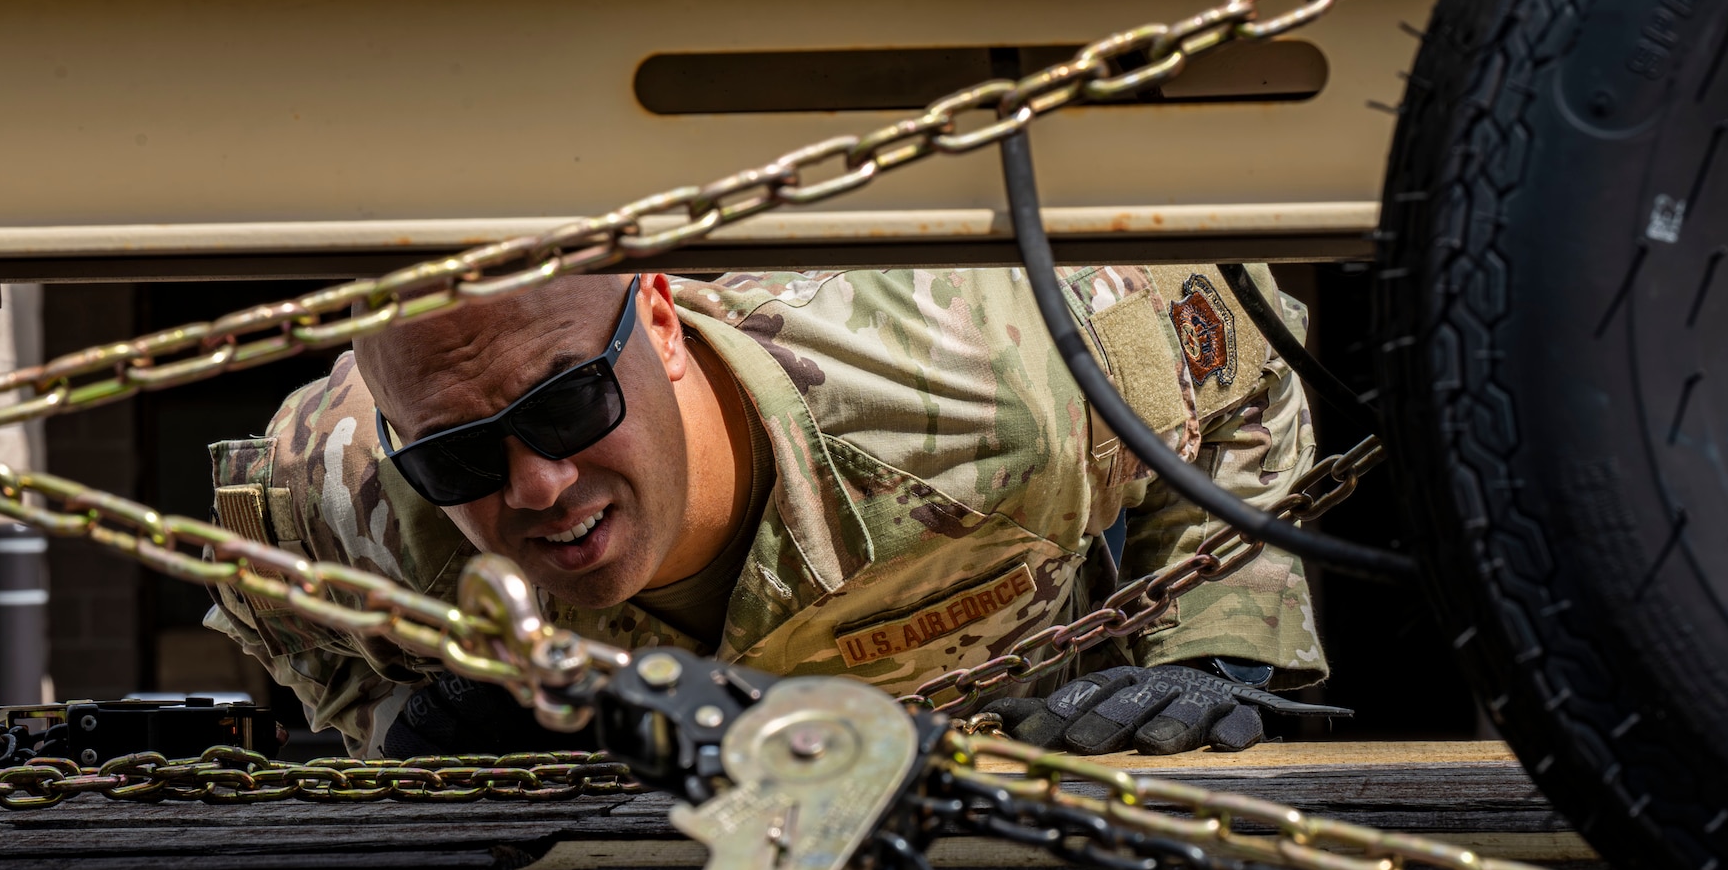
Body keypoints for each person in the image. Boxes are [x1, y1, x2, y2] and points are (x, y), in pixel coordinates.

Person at [203, 264, 1339, 758]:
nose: (536, 488)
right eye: (458, 457)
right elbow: (275, 603)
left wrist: (1212, 656)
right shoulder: (342, 486)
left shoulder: (978, 384)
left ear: (656, 321)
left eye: (567, 405)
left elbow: (1243, 363)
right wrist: (397, 734)